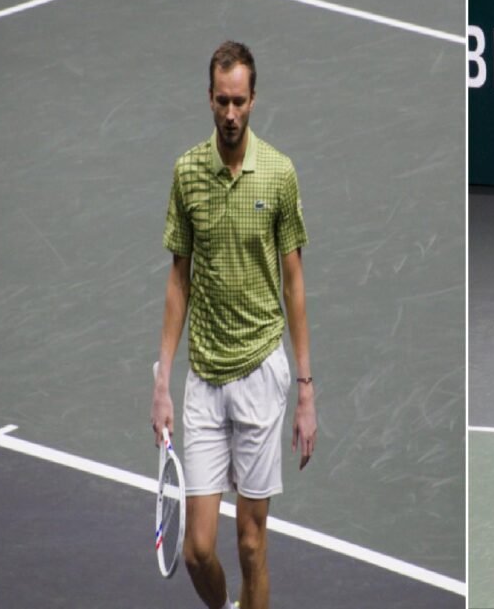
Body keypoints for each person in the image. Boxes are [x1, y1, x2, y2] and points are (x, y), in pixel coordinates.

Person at [150, 40, 317, 609]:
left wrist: (306, 391)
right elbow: (179, 280)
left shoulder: (279, 174)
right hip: (202, 380)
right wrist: (162, 384)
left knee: (250, 543)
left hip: (260, 375)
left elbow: (294, 283)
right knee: (198, 548)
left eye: (239, 102)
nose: (229, 113)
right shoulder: (187, 173)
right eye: (221, 101)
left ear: (253, 100)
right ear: (209, 98)